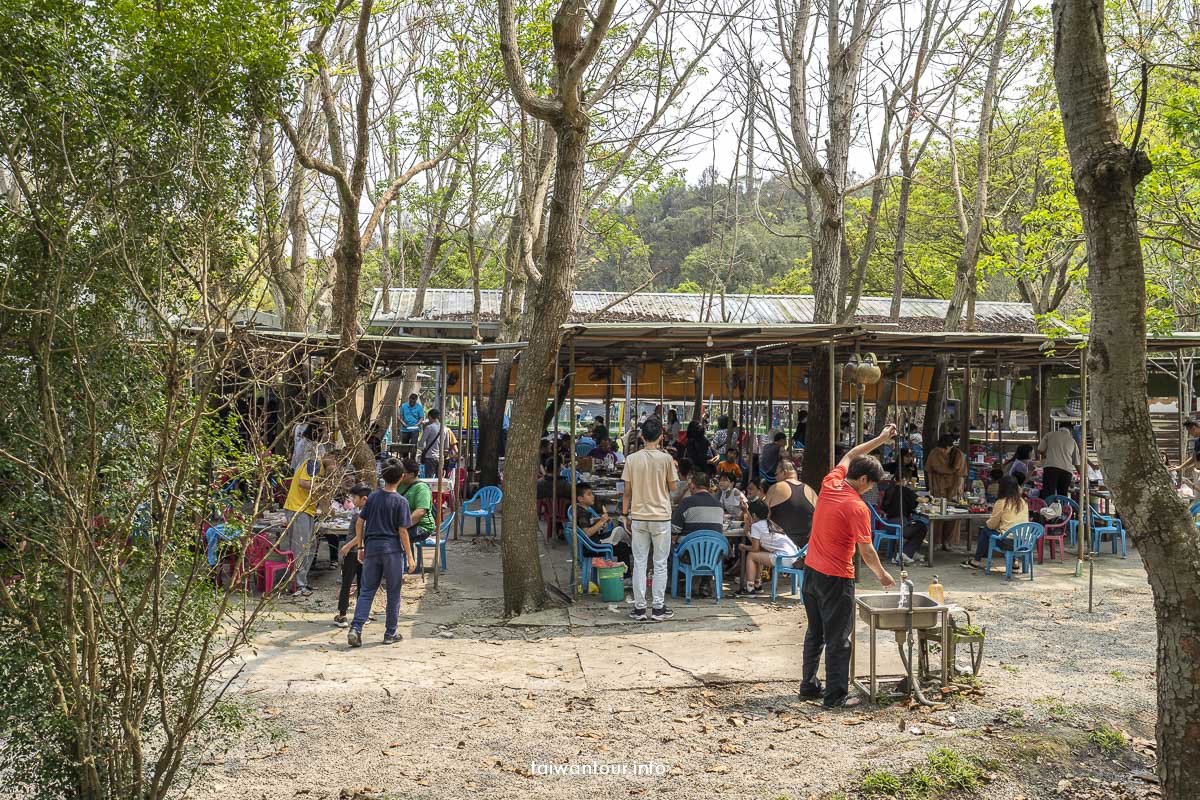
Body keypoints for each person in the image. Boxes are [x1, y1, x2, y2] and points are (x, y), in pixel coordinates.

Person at [800, 425, 898, 708]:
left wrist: (880, 439)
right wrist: (882, 575)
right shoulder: (857, 507)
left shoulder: (831, 483)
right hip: (836, 578)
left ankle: (808, 686)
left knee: (815, 632)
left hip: (811, 572)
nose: (871, 490)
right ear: (864, 479)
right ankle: (835, 697)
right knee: (839, 639)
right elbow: (866, 550)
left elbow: (853, 453)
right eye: (871, 484)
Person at [341, 462, 416, 647]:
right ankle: (390, 633)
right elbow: (403, 531)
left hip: (372, 548)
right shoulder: (401, 501)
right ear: (401, 478)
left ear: (383, 477)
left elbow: (360, 522)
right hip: (392, 551)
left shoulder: (372, 498)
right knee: (393, 593)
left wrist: (360, 547)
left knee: (366, 591)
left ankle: (356, 628)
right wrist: (410, 557)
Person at [621, 416, 677, 622]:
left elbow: (627, 491)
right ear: (661, 437)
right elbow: (673, 487)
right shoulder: (666, 459)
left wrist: (624, 514)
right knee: (660, 563)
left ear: (642, 436)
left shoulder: (631, 459)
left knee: (640, 562)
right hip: (661, 516)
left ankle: (639, 608)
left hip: (638, 516)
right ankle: (658, 608)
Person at [282, 452, 339, 597]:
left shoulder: (324, 472)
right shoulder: (314, 463)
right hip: (297, 508)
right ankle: (297, 584)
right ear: (327, 456)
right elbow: (303, 483)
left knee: (311, 545)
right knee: (300, 547)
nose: (334, 465)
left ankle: (303, 581)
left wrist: (328, 509)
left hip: (308, 511)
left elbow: (322, 496)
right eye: (333, 461)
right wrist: (324, 485)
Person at [962, 476, 1029, 570]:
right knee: (1012, 532)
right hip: (1025, 542)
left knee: (985, 530)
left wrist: (991, 524)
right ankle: (1014, 562)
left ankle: (976, 561)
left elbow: (991, 525)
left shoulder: (1001, 502)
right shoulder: (1023, 502)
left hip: (1008, 543)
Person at [740, 499, 800, 595]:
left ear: (754, 515)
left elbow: (755, 548)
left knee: (751, 555)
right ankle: (757, 585)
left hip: (784, 559)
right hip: (794, 557)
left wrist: (743, 546)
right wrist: (747, 532)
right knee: (757, 555)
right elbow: (758, 545)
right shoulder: (770, 524)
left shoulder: (756, 526)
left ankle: (749, 589)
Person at [334, 485, 372, 627]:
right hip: (365, 553)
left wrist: (347, 546)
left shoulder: (360, 515)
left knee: (347, 583)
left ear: (363, 499)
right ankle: (362, 615)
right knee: (362, 584)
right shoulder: (370, 514)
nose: (353, 500)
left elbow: (359, 535)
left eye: (355, 498)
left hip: (354, 553)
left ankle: (343, 615)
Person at [572, 484, 631, 565]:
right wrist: (601, 522)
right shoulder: (582, 513)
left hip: (591, 542)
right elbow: (586, 533)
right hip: (592, 546)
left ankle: (619, 538)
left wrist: (599, 520)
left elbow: (588, 523)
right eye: (589, 494)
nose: (592, 496)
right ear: (580, 499)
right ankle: (626, 575)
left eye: (592, 494)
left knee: (620, 535)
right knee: (623, 547)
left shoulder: (581, 510)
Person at [766, 459, 818, 549]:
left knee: (752, 552)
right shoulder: (811, 491)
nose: (775, 478)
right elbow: (818, 520)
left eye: (776, 474)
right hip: (805, 547)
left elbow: (763, 515)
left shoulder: (777, 487)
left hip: (780, 545)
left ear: (784, 472)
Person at [926, 434, 967, 549]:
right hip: (938, 484)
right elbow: (929, 471)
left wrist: (959, 488)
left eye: (946, 449)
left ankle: (947, 541)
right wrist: (930, 486)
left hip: (953, 485)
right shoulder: (934, 453)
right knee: (936, 512)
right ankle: (936, 541)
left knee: (954, 513)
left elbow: (961, 474)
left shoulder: (958, 454)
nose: (944, 451)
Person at [881, 478, 927, 565]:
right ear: (904, 479)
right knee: (921, 527)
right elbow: (922, 500)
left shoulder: (889, 490)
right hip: (899, 526)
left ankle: (908, 552)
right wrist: (929, 498)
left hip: (888, 524)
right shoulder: (904, 490)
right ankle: (905, 553)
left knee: (916, 526)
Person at [397, 458, 435, 560]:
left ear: (412, 474)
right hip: (403, 524)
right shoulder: (399, 485)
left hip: (422, 526)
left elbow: (420, 512)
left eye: (402, 472)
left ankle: (406, 566)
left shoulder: (421, 488)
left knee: (398, 537)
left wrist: (402, 526)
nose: (400, 475)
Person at [671, 471, 724, 538]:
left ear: (693, 485)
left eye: (689, 484)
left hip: (689, 547)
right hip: (714, 547)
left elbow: (674, 529)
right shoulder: (719, 505)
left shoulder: (686, 502)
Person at [1038, 421, 1079, 498]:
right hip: (1066, 471)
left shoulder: (1049, 435)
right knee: (1062, 494)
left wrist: (1046, 456)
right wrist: (1082, 475)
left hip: (1051, 468)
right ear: (1070, 430)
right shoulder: (1072, 441)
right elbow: (1076, 462)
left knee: (1048, 493)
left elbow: (1040, 449)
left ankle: (1048, 509)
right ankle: (1063, 509)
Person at [417, 408, 456, 479]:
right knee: (439, 480)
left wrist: (421, 449)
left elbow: (421, 442)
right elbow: (446, 446)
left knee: (429, 479)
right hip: (440, 458)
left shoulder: (429, 428)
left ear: (430, 417)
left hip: (430, 457)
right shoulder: (445, 429)